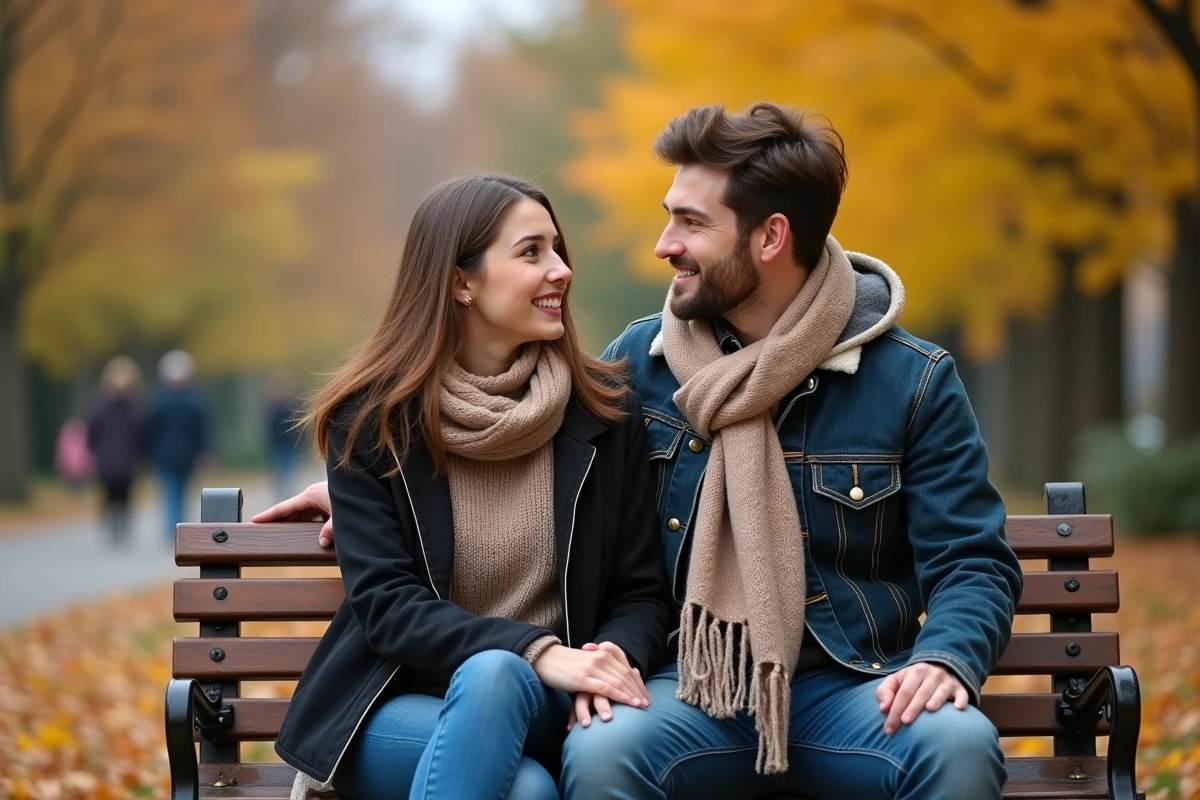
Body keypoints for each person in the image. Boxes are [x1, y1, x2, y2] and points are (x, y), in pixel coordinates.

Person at [262, 103, 1024, 800]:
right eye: (669, 219)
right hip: (687, 696)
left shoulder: (908, 383)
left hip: (851, 686)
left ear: (769, 237)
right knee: (596, 753)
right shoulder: (642, 370)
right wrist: (368, 498)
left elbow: (974, 562)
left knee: (957, 744)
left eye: (690, 224)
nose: (664, 246)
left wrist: (945, 657)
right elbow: (475, 473)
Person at [269, 174, 673, 800]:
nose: (562, 270)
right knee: (523, 774)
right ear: (461, 281)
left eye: (559, 250)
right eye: (532, 252)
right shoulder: (374, 423)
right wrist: (535, 649)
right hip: (396, 704)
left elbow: (641, 591)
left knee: (499, 681)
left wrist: (608, 660)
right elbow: (388, 607)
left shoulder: (607, 413)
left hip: (552, 706)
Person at [145, 349, 210, 540]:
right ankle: (178, 527)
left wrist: (148, 453)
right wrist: (205, 452)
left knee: (171, 492)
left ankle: (173, 528)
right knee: (179, 493)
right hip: (185, 455)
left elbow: (150, 430)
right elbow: (203, 430)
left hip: (165, 455)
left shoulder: (158, 400)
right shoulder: (195, 400)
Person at [85, 356, 143, 546]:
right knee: (111, 493)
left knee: (122, 494)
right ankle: (114, 523)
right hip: (111, 459)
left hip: (123, 459)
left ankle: (119, 523)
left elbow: (140, 433)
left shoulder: (131, 407)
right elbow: (92, 432)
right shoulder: (103, 406)